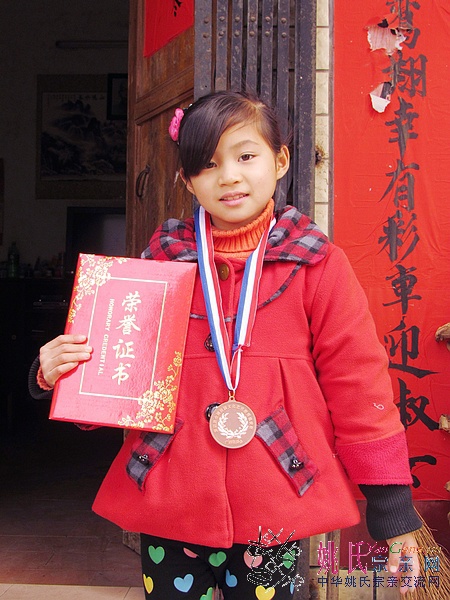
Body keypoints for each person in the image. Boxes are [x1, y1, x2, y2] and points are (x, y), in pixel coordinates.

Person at [29, 91, 422, 599]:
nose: (229, 176)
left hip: (278, 499)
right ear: (187, 179)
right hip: (171, 499)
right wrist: (55, 373)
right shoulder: (155, 269)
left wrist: (391, 510)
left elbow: (360, 388)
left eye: (246, 155)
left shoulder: (318, 267)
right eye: (208, 164)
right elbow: (117, 380)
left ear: (280, 160)